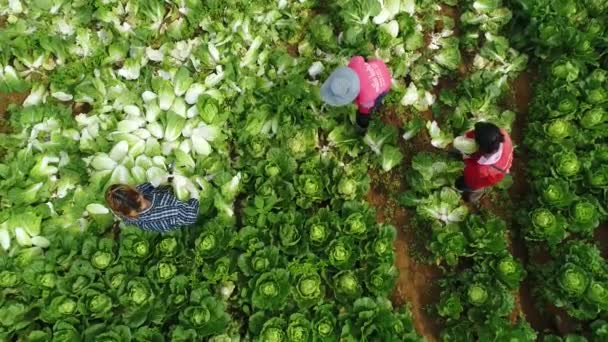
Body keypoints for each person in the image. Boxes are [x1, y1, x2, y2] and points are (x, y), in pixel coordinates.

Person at [320, 56, 392, 131]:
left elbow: (365, 110)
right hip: (378, 64)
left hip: (386, 82)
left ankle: (363, 125)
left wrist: (362, 121)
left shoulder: (365, 98)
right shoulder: (354, 64)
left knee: (366, 112)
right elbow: (360, 58)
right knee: (369, 64)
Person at [455, 122, 513, 202]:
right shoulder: (501, 134)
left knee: (460, 184)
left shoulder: (478, 171)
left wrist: (466, 155)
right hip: (503, 162)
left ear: (479, 149)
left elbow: (472, 181)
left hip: (489, 176)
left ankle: (477, 192)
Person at [105, 183, 199, 233]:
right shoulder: (172, 211)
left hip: (158, 220)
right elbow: (191, 215)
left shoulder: (127, 215)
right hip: (177, 216)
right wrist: (194, 194)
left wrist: (156, 182)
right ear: (138, 195)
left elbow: (140, 189)